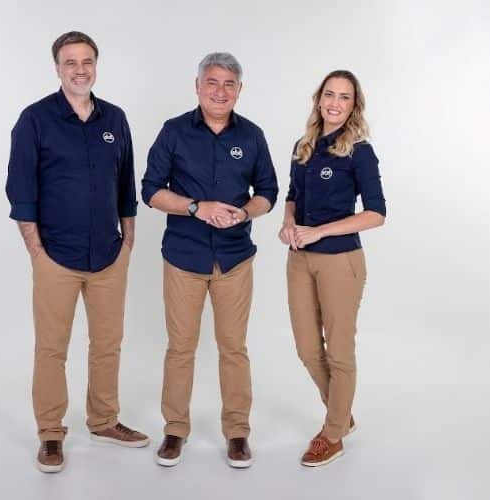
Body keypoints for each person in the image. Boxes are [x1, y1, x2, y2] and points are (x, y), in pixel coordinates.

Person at [5, 31, 149, 474]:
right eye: (71, 62)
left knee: (107, 344)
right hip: (56, 258)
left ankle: (104, 420)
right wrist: (36, 251)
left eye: (87, 61)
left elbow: (126, 185)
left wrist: (127, 241)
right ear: (57, 67)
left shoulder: (115, 119)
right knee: (52, 348)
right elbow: (21, 192)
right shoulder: (34, 120)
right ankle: (50, 433)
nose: (80, 69)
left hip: (108, 255)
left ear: (96, 66)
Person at [141, 52, 278, 468]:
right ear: (197, 85)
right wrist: (196, 207)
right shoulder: (174, 131)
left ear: (239, 90)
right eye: (213, 82)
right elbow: (150, 190)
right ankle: (175, 430)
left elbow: (268, 192)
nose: (220, 91)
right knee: (181, 347)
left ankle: (237, 432)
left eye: (229, 84)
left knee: (233, 347)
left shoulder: (252, 135)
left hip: (235, 259)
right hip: (184, 257)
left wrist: (245, 212)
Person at [279, 70, 386, 467]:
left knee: (339, 352)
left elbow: (376, 214)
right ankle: (342, 414)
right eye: (329, 94)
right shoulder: (303, 146)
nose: (335, 103)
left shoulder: (359, 150)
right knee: (308, 349)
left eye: (344, 97)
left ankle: (333, 433)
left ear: (353, 105)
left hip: (341, 261)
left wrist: (318, 231)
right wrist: (289, 224)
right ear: (318, 98)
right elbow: (292, 196)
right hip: (299, 259)